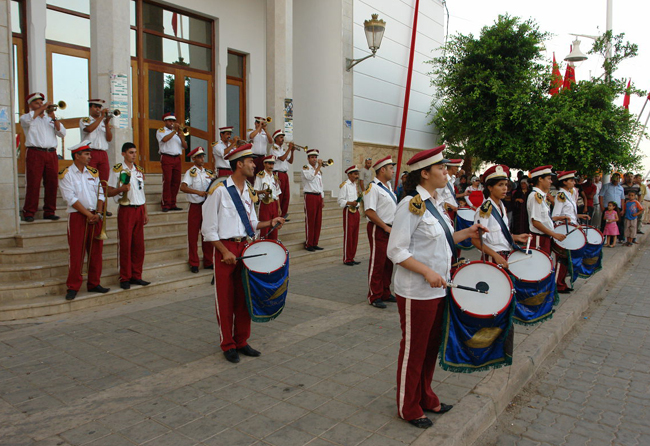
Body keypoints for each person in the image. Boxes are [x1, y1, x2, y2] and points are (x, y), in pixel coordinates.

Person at [387, 145, 487, 429]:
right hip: (416, 291)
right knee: (414, 349)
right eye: (442, 168)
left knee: (430, 348)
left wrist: (467, 233)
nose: (447, 172)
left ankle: (426, 397)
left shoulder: (435, 204)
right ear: (425, 173)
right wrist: (427, 272)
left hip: (439, 289)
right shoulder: (410, 205)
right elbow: (396, 251)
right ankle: (408, 407)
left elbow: (442, 241)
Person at [201, 143, 285, 363]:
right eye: (250, 161)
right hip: (225, 249)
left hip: (246, 249)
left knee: (245, 297)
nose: (253, 165)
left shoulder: (248, 190)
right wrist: (222, 251)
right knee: (226, 299)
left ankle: (242, 341)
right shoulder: (218, 191)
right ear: (239, 164)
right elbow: (208, 229)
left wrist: (271, 222)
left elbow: (253, 222)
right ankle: (227, 344)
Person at [59, 141, 110, 301]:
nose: (90, 157)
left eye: (89, 154)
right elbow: (71, 198)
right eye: (87, 154)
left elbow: (101, 193)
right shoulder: (66, 174)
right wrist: (88, 214)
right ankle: (73, 286)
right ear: (77, 156)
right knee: (76, 253)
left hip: (96, 215)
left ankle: (94, 283)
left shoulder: (93, 173)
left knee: (96, 251)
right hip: (78, 217)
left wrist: (99, 212)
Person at [107, 143, 151, 290]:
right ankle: (124, 277)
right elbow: (109, 191)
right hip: (126, 209)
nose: (133, 155)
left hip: (139, 209)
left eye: (135, 152)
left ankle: (136, 275)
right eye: (131, 152)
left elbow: (141, 192)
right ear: (123, 153)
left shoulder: (138, 171)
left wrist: (145, 211)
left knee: (139, 246)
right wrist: (121, 189)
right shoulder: (117, 170)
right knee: (126, 244)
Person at [471, 165, 531, 267]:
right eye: (500, 185)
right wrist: (495, 255)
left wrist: (516, 237)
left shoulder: (501, 206)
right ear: (490, 187)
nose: (505, 188)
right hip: (493, 259)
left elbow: (499, 235)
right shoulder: (485, 210)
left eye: (506, 185)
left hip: (504, 255)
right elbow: (475, 240)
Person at [20, 92, 66, 222]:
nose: (40, 104)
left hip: (51, 153)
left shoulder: (49, 120)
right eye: (37, 103)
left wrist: (54, 117)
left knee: (52, 182)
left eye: (42, 102)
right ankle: (29, 212)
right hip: (35, 152)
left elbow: (62, 133)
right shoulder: (26, 118)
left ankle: (49, 211)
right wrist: (43, 107)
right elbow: (28, 120)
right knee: (33, 183)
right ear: (30, 106)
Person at [365, 156, 398, 309]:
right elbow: (370, 212)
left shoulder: (389, 187)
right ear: (382, 170)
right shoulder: (373, 188)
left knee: (388, 263)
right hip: (379, 228)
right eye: (391, 168)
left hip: (390, 229)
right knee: (377, 262)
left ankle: (385, 291)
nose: (393, 170)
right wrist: (385, 227)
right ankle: (374, 295)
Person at [552, 171, 590, 293]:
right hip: (564, 231)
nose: (574, 182)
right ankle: (558, 284)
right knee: (562, 259)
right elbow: (555, 216)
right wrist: (562, 219)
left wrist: (580, 215)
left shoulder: (568, 194)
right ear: (564, 182)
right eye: (571, 180)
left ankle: (562, 282)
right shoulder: (561, 195)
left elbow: (569, 213)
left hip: (571, 229)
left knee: (567, 259)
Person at [180, 147, 215, 273]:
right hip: (195, 206)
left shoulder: (208, 173)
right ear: (193, 158)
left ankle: (208, 261)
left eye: (202, 156)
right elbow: (183, 187)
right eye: (199, 157)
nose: (202, 159)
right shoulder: (191, 172)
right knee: (193, 235)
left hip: (207, 206)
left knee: (207, 234)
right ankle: (194, 262)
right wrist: (197, 192)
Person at [80, 99, 114, 215]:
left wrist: (106, 123)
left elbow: (109, 138)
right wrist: (101, 118)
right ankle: (93, 206)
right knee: (91, 181)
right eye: (96, 107)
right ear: (90, 108)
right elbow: (89, 129)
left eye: (100, 107)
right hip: (90, 153)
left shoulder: (103, 122)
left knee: (104, 181)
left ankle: (103, 208)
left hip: (103, 153)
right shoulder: (85, 120)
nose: (98, 109)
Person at [526, 165, 566, 257]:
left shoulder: (541, 196)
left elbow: (543, 218)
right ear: (540, 179)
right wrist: (554, 234)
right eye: (549, 179)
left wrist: (558, 218)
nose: (551, 181)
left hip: (544, 237)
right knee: (540, 267)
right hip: (539, 239)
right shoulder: (535, 196)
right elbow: (536, 222)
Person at [156, 113, 187, 212]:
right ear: (165, 121)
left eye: (173, 121)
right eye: (169, 121)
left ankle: (173, 203)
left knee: (176, 181)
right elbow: (164, 139)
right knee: (167, 180)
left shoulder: (177, 133)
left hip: (177, 158)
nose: (172, 123)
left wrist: (181, 136)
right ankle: (166, 203)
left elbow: (185, 146)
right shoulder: (161, 131)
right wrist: (174, 131)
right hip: (167, 157)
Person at [301, 148, 325, 251]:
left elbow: (320, 185)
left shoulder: (318, 171)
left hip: (318, 196)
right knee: (310, 221)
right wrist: (319, 166)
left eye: (315, 157)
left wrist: (322, 197)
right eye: (312, 157)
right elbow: (310, 178)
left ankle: (315, 242)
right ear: (308, 158)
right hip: (310, 195)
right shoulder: (306, 168)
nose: (314, 159)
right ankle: (308, 243)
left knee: (318, 221)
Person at [254, 155, 282, 240]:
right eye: (269, 163)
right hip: (265, 203)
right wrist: (263, 192)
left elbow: (277, 193)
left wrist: (279, 207)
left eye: (272, 164)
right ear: (264, 164)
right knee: (264, 229)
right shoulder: (260, 176)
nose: (271, 166)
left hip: (274, 204)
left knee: (274, 229)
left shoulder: (275, 177)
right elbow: (255, 191)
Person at [338, 165, 361, 266]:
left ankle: (352, 257)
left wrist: (357, 203)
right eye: (355, 174)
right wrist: (350, 203)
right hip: (348, 211)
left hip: (356, 211)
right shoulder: (345, 185)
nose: (357, 176)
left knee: (355, 235)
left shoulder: (355, 185)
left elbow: (357, 199)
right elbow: (340, 201)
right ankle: (347, 258)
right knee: (349, 235)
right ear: (349, 175)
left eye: (357, 174)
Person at [270, 129, 295, 217]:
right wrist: (289, 149)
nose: (282, 139)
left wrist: (292, 151)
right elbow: (282, 158)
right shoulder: (274, 148)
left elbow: (290, 161)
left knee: (286, 195)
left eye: (282, 137)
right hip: (278, 173)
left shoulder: (283, 149)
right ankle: (277, 214)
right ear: (276, 138)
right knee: (279, 195)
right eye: (281, 137)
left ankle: (283, 215)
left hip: (284, 174)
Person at [598, 173, 625, 242]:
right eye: (614, 178)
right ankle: (602, 239)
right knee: (605, 223)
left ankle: (618, 239)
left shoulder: (621, 188)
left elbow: (622, 199)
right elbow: (601, 196)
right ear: (611, 178)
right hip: (607, 207)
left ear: (619, 179)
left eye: (617, 178)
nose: (616, 180)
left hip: (617, 208)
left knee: (618, 223)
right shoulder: (606, 186)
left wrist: (623, 209)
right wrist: (602, 207)